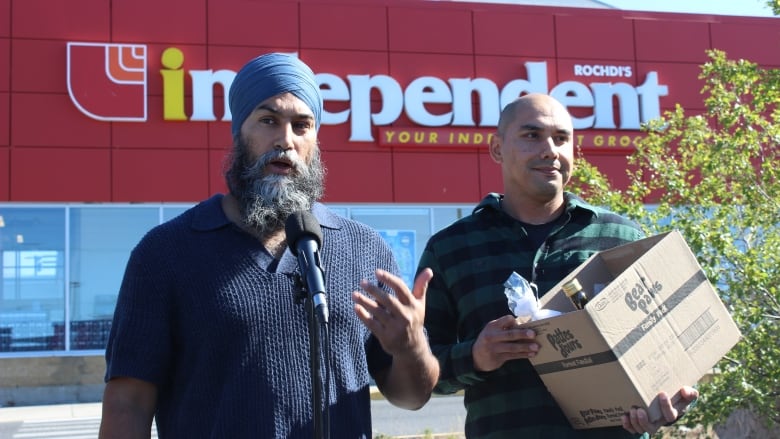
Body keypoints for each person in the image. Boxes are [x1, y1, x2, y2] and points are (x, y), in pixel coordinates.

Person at [98, 52, 439, 438]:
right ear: (238, 132)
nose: (286, 140)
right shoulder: (165, 253)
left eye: (302, 125)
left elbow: (412, 397)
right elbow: (128, 403)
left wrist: (410, 347)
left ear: (315, 140)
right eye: (268, 120)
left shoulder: (365, 250)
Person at [418, 93, 698, 439]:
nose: (550, 150)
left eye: (562, 139)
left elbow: (670, 351)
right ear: (497, 149)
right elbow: (419, 371)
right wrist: (475, 356)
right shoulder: (450, 248)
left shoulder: (620, 237)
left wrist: (668, 402)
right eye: (532, 135)